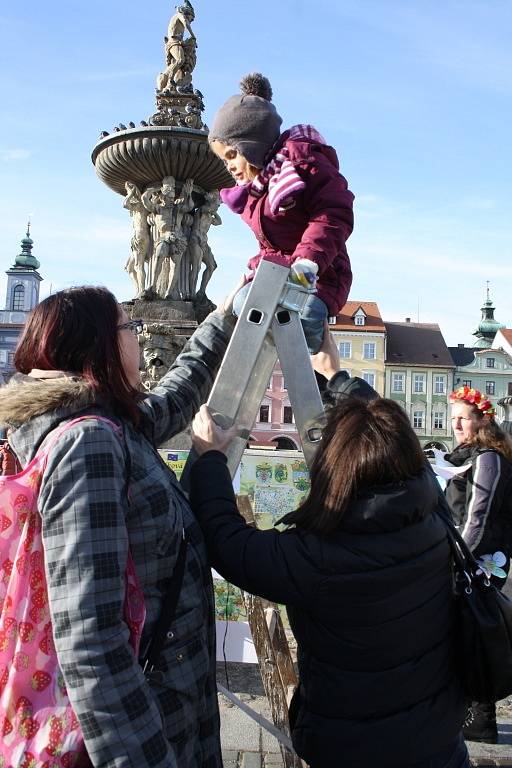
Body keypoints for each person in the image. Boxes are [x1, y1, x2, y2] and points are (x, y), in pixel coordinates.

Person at [0, 285, 236, 767]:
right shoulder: (87, 445)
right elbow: (91, 638)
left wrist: (228, 316)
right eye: (131, 328)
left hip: (167, 698)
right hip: (149, 720)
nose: (140, 340)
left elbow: (177, 394)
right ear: (101, 345)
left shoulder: (107, 421)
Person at [189, 396, 469, 768]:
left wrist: (211, 458)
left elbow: (227, 543)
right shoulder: (435, 521)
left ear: (336, 466)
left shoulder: (318, 558)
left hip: (351, 751)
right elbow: (391, 435)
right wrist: (337, 378)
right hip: (440, 744)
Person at [208, 73, 354, 354]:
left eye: (231, 155)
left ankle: (320, 380)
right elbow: (269, 245)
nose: (228, 166)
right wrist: (256, 272)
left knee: (304, 321)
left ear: (251, 145)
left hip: (321, 274)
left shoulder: (301, 163)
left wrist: (307, 264)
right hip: (278, 273)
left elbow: (333, 213)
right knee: (241, 306)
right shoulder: (257, 190)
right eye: (223, 159)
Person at [445, 385, 512, 744]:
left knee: (476, 634)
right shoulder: (467, 453)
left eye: (462, 419)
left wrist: (457, 559)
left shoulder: (488, 457)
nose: (456, 424)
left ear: (481, 421)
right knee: (468, 633)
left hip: (481, 562)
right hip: (473, 560)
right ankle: (471, 718)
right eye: (452, 417)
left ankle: (480, 722)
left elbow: (478, 517)